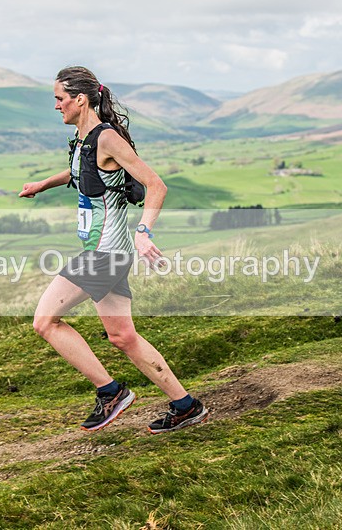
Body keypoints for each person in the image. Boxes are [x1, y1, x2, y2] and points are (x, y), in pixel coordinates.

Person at [18, 66, 208, 434]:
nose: (56, 106)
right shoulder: (83, 139)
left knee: (45, 321)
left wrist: (144, 231)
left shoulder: (106, 138)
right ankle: (186, 406)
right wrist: (42, 184)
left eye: (59, 98)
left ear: (80, 99)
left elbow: (156, 185)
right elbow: (79, 174)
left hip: (105, 254)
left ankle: (111, 391)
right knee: (123, 337)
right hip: (107, 253)